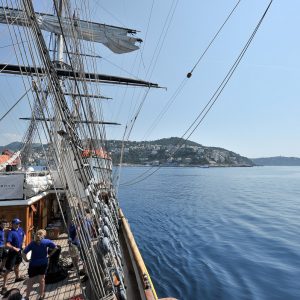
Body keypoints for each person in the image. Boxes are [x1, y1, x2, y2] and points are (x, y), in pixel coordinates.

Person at [22, 229, 58, 300]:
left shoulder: (32, 243)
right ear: (44, 235)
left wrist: (26, 260)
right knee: (42, 279)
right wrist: (49, 255)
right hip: (43, 263)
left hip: (33, 264)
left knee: (30, 281)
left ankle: (27, 297)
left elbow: (23, 253)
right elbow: (56, 247)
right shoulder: (46, 241)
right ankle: (41, 296)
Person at [1, 218, 26, 295]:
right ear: (13, 224)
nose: (18, 224)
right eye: (16, 223)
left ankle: (17, 277)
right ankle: (4, 287)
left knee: (17, 265)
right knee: (8, 270)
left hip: (19, 252)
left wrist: (23, 243)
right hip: (12, 253)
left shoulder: (20, 229)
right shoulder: (11, 233)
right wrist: (14, 248)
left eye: (19, 223)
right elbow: (7, 244)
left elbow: (24, 235)